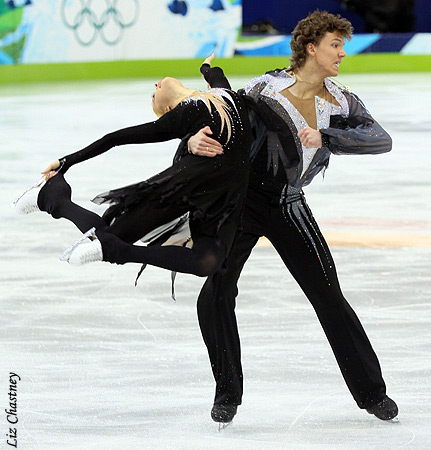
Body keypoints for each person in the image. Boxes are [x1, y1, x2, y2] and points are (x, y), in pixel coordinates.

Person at [187, 10, 398, 423]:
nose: (341, 54)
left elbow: (380, 139)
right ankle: (227, 393)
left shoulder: (341, 100)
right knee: (215, 293)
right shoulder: (267, 86)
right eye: (335, 45)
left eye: (343, 46)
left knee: (329, 297)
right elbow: (228, 117)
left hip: (288, 203)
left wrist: (329, 136)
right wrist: (196, 138)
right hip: (243, 201)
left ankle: (371, 392)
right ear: (310, 47)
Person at [14, 55, 252, 280]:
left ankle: (110, 245)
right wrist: (67, 161)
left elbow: (215, 76)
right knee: (111, 235)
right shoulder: (179, 116)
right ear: (168, 111)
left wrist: (206, 68)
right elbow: (114, 138)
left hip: (220, 200)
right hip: (186, 189)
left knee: (207, 262)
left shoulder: (220, 92)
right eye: (153, 94)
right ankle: (53, 198)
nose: (156, 84)